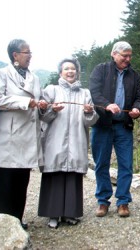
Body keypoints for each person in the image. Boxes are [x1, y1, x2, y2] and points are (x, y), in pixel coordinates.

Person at [0, 39, 47, 229]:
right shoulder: (2, 74)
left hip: (28, 137)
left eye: (30, 53)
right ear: (15, 55)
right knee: (5, 182)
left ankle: (16, 221)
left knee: (22, 182)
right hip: (9, 137)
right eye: (26, 52)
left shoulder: (35, 78)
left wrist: (42, 106)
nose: (30, 56)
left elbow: (38, 102)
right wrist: (24, 102)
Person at [38, 58, 99, 228]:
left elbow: (91, 121)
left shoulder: (85, 93)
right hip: (55, 141)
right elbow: (42, 115)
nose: (70, 71)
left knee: (73, 176)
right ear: (60, 73)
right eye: (66, 69)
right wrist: (52, 110)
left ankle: (70, 214)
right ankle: (53, 214)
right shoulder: (51, 90)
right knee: (55, 175)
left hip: (76, 141)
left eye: (73, 69)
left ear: (77, 72)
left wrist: (89, 112)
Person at [89, 41, 140, 218]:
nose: (128, 59)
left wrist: (137, 109)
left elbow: (139, 98)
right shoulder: (101, 70)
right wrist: (106, 105)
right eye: (124, 56)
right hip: (102, 125)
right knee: (102, 164)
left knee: (126, 165)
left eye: (130, 56)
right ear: (114, 54)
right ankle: (103, 201)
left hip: (124, 126)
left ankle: (123, 201)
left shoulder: (134, 75)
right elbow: (94, 93)